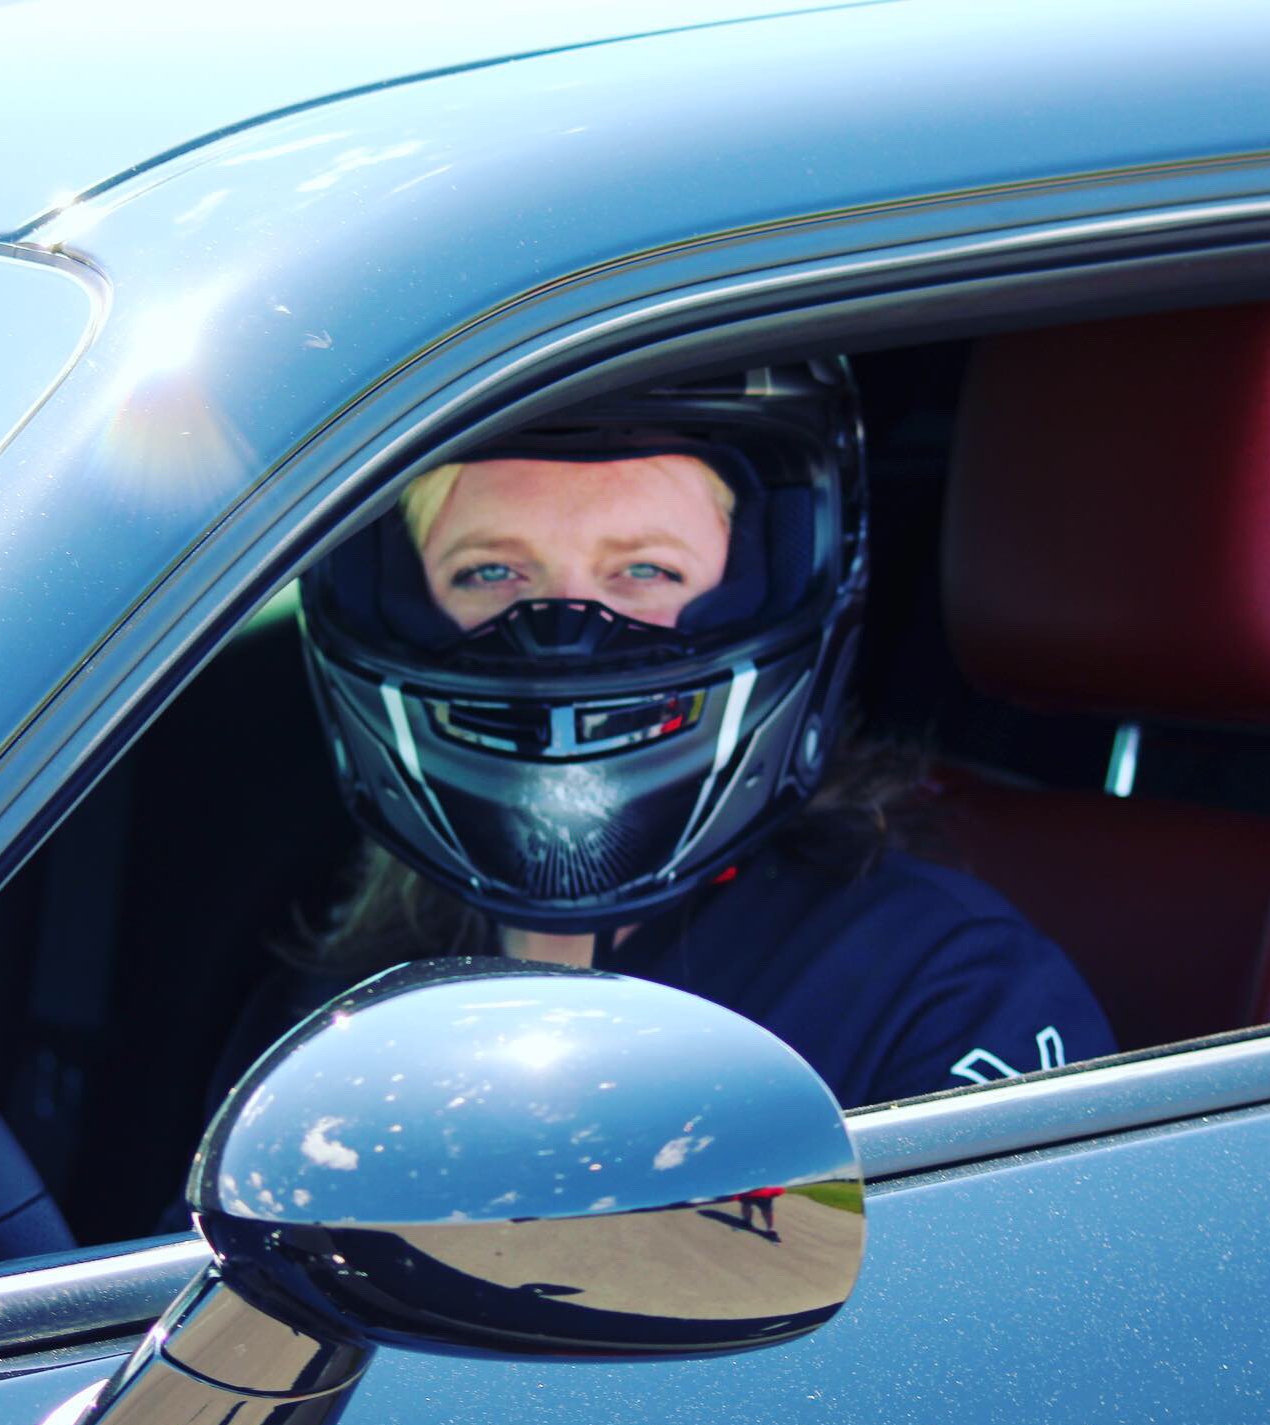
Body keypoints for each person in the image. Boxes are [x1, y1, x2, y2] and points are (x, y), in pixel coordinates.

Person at [245, 362, 1113, 1111]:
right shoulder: (354, 1001)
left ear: (761, 585)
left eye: (645, 570)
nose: (562, 643)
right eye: (491, 571)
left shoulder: (942, 990)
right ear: (396, 598)